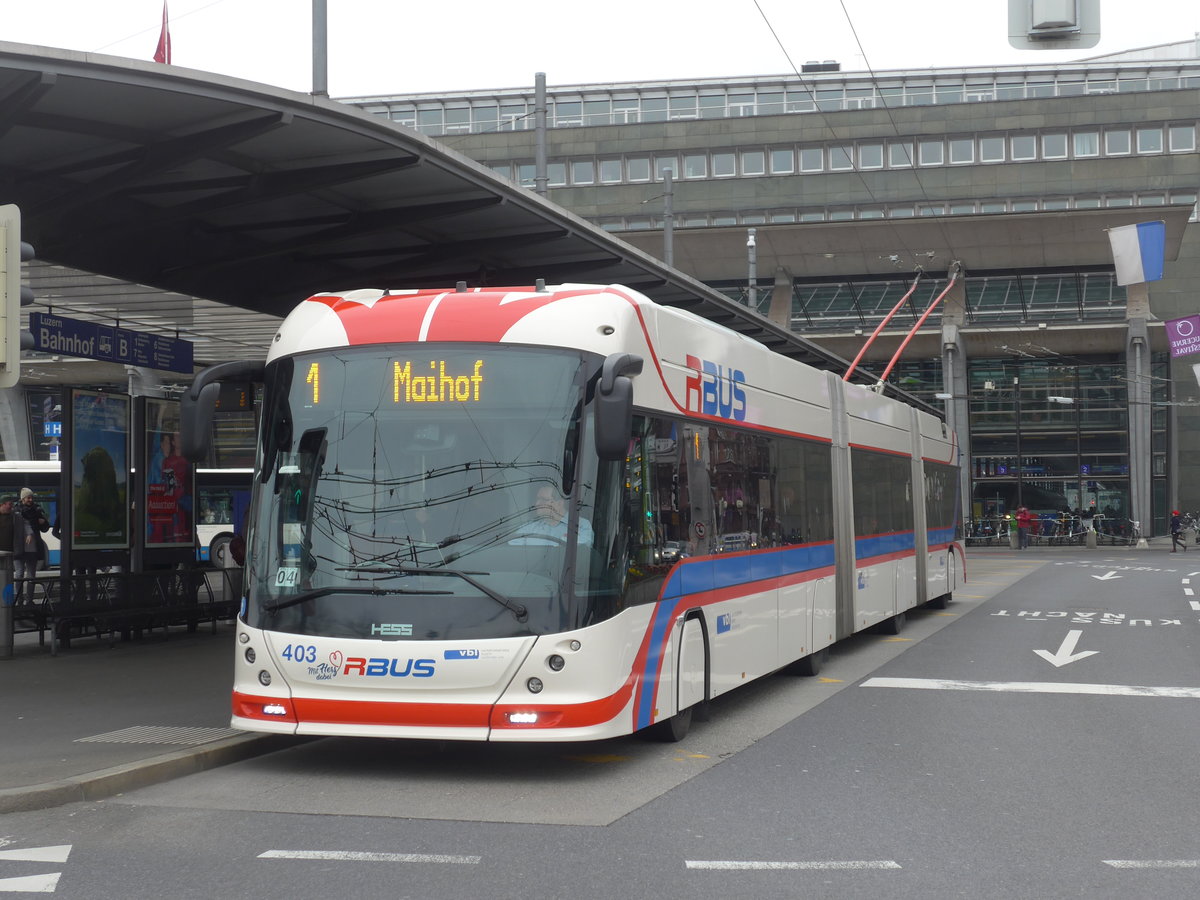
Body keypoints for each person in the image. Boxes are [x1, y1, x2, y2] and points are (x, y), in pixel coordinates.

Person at [514, 485, 594, 545]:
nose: (537, 504)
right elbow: (513, 550)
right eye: (538, 499)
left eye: (543, 500)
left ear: (559, 503)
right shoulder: (528, 528)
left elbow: (581, 553)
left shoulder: (581, 526)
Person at [14, 487, 50, 603]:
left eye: (31, 497)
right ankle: (18, 600)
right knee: (19, 575)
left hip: (33, 548)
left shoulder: (37, 510)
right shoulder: (16, 510)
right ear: (23, 499)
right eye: (28, 497)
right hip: (19, 548)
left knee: (31, 576)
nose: (30, 500)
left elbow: (45, 528)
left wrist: (43, 522)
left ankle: (29, 600)